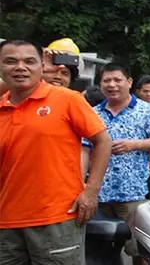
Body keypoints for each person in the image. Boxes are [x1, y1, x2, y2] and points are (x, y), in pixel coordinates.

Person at [0, 40, 112, 265]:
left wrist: (91, 192)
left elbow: (103, 141)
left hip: (57, 218)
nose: (20, 67)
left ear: (41, 65)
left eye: (29, 61)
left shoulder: (66, 99)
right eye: (10, 61)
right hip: (7, 223)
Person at [83, 63, 150, 264]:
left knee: (139, 249)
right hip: (99, 194)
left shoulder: (146, 110)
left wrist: (134, 144)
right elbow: (84, 149)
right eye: (106, 81)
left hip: (132, 194)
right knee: (99, 249)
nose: (112, 85)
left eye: (117, 80)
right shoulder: (93, 113)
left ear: (129, 83)